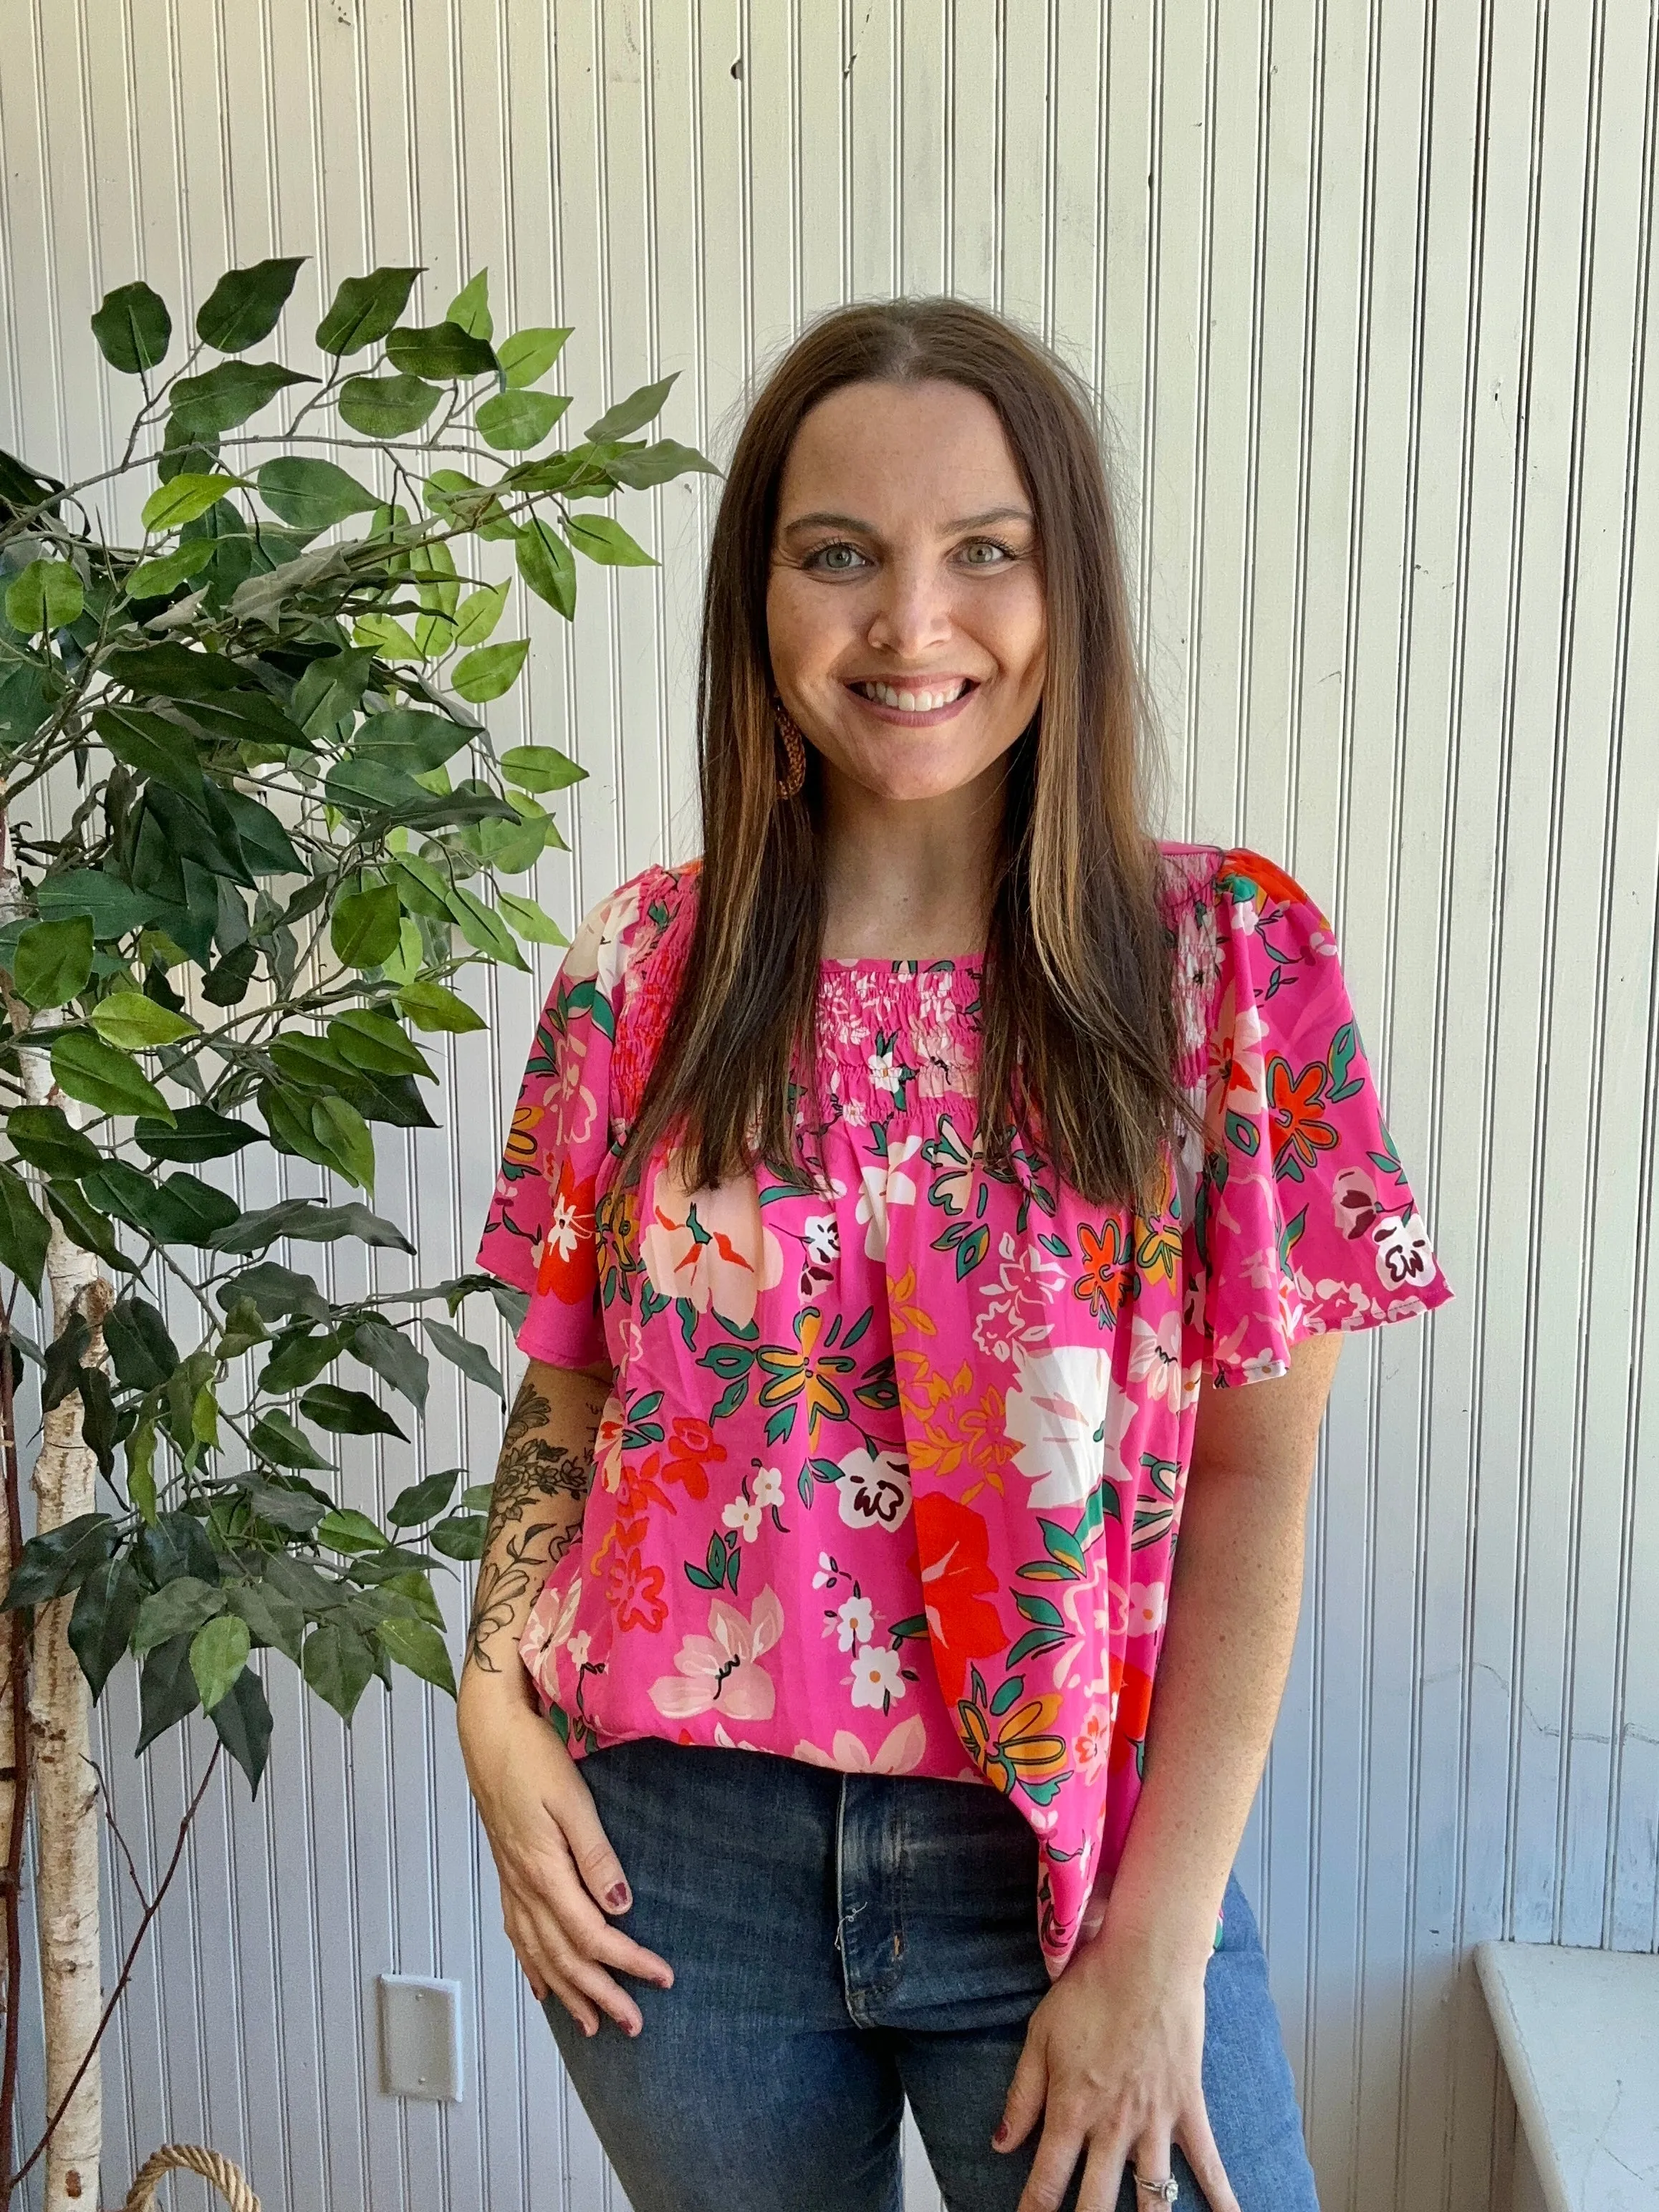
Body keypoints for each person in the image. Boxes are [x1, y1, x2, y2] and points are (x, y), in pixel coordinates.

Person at [456, 297, 1451, 2212]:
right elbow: (564, 1409)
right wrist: (487, 1700)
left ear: (1061, 589)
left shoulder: (1225, 966)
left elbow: (1253, 1487)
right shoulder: (634, 975)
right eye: (840, 557)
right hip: (671, 1874)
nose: (910, 627)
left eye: (980, 553)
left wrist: (1155, 1948)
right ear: (759, 599)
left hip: (1071, 1866)